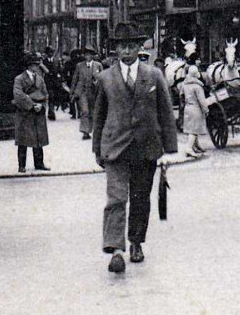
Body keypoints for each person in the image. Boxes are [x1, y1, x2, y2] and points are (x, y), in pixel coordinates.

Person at [92, 22, 178, 274]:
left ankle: (136, 242)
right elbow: (99, 116)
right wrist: (97, 149)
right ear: (115, 50)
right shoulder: (105, 78)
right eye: (122, 46)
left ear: (139, 48)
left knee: (140, 199)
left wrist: (169, 150)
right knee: (116, 198)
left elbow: (166, 113)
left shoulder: (153, 75)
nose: (127, 51)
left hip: (146, 148)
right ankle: (116, 250)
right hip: (115, 148)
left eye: (131, 46)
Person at [12, 52, 52, 172]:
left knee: (39, 138)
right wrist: (32, 104)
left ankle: (39, 163)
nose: (37, 67)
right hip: (25, 111)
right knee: (23, 139)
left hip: (38, 111)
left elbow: (45, 94)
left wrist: (41, 105)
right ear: (29, 65)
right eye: (35, 64)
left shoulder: (40, 79)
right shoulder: (19, 79)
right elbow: (18, 95)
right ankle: (21, 165)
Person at [71, 47, 102, 140]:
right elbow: (75, 79)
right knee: (84, 111)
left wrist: (98, 83)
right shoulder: (79, 66)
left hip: (94, 92)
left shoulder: (98, 65)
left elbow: (103, 78)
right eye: (86, 54)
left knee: (92, 112)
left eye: (89, 54)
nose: (87, 56)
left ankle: (89, 130)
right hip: (82, 91)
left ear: (93, 55)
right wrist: (72, 92)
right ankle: (85, 131)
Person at [179, 65, 210, 157]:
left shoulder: (184, 84)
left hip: (187, 108)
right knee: (194, 130)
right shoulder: (198, 86)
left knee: (191, 128)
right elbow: (202, 101)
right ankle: (188, 148)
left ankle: (196, 146)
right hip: (196, 109)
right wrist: (206, 109)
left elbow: (181, 96)